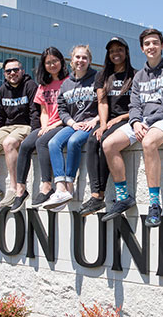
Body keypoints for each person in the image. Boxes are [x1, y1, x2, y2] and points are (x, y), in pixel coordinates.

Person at [101, 29, 163, 227]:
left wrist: (147, 122)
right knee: (109, 144)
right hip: (144, 121)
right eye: (147, 44)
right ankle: (123, 197)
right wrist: (135, 122)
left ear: (162, 45)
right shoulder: (139, 76)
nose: (151, 47)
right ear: (142, 48)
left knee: (148, 142)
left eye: (155, 43)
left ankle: (154, 204)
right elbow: (134, 105)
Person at [79, 37, 136, 216]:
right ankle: (96, 195)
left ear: (126, 52)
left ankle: (102, 194)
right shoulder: (102, 76)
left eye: (119, 50)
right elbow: (102, 102)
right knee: (92, 140)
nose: (115, 54)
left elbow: (138, 104)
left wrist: (120, 118)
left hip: (127, 119)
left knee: (104, 140)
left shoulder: (135, 75)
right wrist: (103, 123)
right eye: (112, 51)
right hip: (108, 119)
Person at [7, 47, 69, 213]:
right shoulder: (44, 85)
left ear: (61, 61)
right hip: (48, 124)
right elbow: (43, 111)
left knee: (42, 142)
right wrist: (44, 126)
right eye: (48, 62)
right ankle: (20, 190)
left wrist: (51, 126)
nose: (52, 64)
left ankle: (47, 186)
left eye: (55, 61)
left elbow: (70, 111)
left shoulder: (68, 81)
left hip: (63, 124)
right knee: (26, 145)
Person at [41, 45, 99, 211]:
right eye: (77, 57)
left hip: (90, 123)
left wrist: (95, 120)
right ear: (71, 60)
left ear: (89, 61)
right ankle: (60, 187)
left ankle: (69, 184)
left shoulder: (98, 78)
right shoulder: (66, 84)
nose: (80, 61)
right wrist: (72, 123)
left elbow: (105, 103)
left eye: (84, 58)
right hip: (73, 124)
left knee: (74, 142)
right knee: (53, 143)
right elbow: (62, 109)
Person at [0, 58, 38, 210]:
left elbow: (35, 111)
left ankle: (14, 188)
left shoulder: (30, 85)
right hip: (7, 127)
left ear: (22, 71)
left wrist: (35, 133)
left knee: (8, 143)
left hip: (25, 126)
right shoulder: (3, 89)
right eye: (9, 71)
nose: (12, 73)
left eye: (16, 70)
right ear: (4, 74)